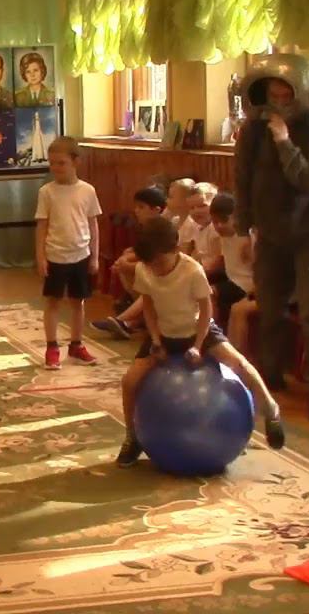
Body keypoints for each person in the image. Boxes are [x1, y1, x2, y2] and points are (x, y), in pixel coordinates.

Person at [114, 217, 285, 467]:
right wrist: (155, 339)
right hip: (164, 333)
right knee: (129, 380)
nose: (154, 268)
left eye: (159, 262)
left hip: (198, 331)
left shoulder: (192, 271)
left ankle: (271, 410)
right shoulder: (144, 269)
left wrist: (197, 345)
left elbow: (206, 311)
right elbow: (148, 306)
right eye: (149, 264)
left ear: (175, 249)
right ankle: (132, 437)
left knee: (239, 363)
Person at [234, 53, 309, 423]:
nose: (279, 104)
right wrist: (244, 230)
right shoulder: (252, 130)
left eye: (286, 96)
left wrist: (283, 141)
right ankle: (271, 375)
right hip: (271, 230)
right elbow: (243, 180)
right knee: (270, 309)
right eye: (273, 96)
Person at [36, 137, 102, 370]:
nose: (55, 168)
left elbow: (93, 225)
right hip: (55, 255)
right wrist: (41, 257)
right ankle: (52, 347)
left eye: (61, 163)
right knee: (53, 301)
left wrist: (94, 256)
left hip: (81, 255)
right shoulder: (46, 192)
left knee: (78, 302)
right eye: (52, 163)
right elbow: (42, 226)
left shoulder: (87, 190)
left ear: (76, 162)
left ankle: (76, 344)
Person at [91, 186, 166, 338]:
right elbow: (139, 250)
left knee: (145, 281)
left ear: (156, 210)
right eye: (136, 207)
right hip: (154, 269)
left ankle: (123, 320)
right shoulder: (146, 228)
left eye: (141, 207)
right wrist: (124, 259)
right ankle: (136, 319)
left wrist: (127, 263)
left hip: (163, 273)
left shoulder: (163, 229)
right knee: (125, 265)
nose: (136, 211)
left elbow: (157, 259)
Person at [209, 193, 255, 327]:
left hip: (246, 283)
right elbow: (222, 259)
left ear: (236, 217)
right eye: (215, 222)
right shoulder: (224, 236)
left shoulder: (246, 238)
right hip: (233, 279)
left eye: (224, 221)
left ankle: (212, 331)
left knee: (210, 292)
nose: (219, 226)